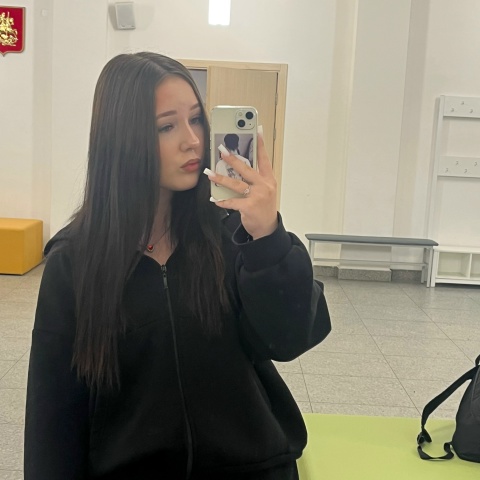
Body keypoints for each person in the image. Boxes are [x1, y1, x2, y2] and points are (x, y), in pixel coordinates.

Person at [24, 52, 331, 480]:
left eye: (196, 119)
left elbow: (290, 339)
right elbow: (52, 417)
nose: (192, 140)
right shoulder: (74, 263)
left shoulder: (232, 234)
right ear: (122, 140)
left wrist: (268, 238)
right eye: (166, 126)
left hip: (254, 468)